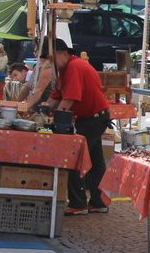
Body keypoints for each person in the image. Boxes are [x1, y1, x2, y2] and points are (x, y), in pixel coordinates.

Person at [46, 39, 111, 216]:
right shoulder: (65, 70)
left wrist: (53, 118)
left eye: (51, 59)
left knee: (74, 158)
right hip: (93, 117)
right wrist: (39, 109)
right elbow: (55, 98)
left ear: (62, 53)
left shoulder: (74, 67)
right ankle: (98, 202)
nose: (49, 63)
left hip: (93, 118)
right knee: (96, 162)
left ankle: (78, 202)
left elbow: (69, 99)